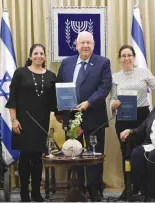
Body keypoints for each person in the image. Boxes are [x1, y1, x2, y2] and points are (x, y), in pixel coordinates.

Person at [55, 31, 112, 201]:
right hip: (72, 118)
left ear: (94, 45)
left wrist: (88, 102)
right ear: (76, 45)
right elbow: (59, 86)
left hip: (94, 115)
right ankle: (77, 189)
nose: (86, 46)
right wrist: (59, 110)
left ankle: (95, 190)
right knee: (74, 152)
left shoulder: (103, 62)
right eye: (82, 43)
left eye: (89, 43)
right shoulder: (66, 63)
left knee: (94, 154)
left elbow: (104, 87)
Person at [5, 44, 57, 202]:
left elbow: (55, 102)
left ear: (45, 56)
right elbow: (12, 98)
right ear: (30, 56)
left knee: (37, 157)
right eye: (36, 53)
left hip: (41, 121)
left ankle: (36, 192)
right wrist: (13, 119)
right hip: (23, 121)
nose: (39, 56)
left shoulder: (51, 76)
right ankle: (24, 193)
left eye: (42, 53)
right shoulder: (20, 73)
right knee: (25, 156)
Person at [109, 44, 155, 198]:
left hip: (143, 117)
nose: (126, 58)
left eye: (129, 55)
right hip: (124, 118)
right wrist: (113, 104)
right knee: (126, 153)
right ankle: (128, 187)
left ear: (134, 57)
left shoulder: (144, 73)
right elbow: (112, 98)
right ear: (120, 59)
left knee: (144, 152)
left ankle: (146, 187)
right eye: (123, 56)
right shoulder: (115, 77)